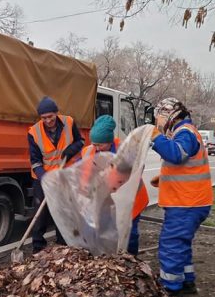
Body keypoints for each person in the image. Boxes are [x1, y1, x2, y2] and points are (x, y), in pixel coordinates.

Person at [149, 98, 213, 296]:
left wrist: (156, 137)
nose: (158, 122)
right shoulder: (185, 131)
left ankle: (170, 288)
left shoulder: (185, 132)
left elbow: (177, 154)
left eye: (159, 117)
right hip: (189, 201)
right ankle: (186, 282)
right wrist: (165, 178)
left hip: (186, 203)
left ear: (169, 115)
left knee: (171, 245)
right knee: (181, 244)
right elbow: (184, 165)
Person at [80, 115, 149, 255]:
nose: (97, 148)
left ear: (109, 141)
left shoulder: (125, 149)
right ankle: (111, 262)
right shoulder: (88, 151)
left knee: (129, 234)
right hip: (106, 201)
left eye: (100, 144)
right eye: (94, 143)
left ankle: (132, 263)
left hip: (131, 200)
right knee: (106, 233)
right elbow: (85, 177)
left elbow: (137, 171)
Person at [27, 96, 84, 253]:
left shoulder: (69, 122)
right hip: (43, 178)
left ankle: (63, 244)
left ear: (56, 113)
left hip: (64, 175)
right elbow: (35, 161)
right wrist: (45, 178)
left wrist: (70, 150)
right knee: (41, 214)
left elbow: (81, 142)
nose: (47, 121)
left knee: (63, 210)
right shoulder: (34, 132)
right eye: (44, 118)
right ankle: (38, 247)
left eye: (50, 116)